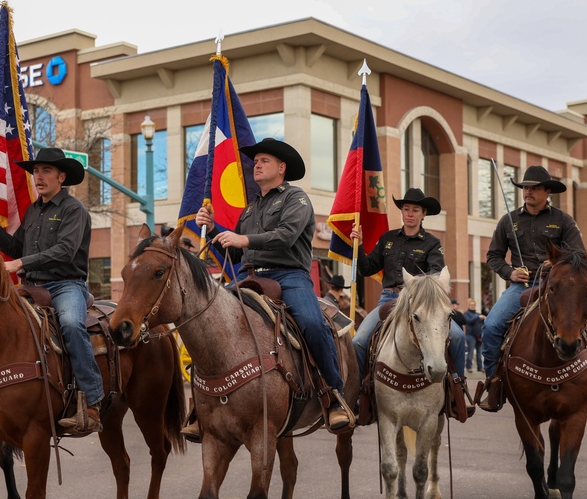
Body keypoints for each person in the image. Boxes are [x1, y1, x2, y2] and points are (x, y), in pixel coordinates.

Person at [194, 138, 355, 432]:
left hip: (288, 275)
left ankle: (334, 396)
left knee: (312, 323)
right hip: (249, 276)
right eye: (255, 161)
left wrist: (243, 238)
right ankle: (200, 405)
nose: (256, 164)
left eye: (264, 161)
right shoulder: (249, 209)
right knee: (209, 317)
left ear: (281, 169)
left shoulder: (297, 199)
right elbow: (236, 253)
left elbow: (286, 235)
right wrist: (215, 228)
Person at [0, 147, 103, 434]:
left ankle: (92, 401)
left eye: (46, 170)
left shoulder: (74, 209)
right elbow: (17, 247)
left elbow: (65, 251)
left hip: (65, 284)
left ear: (61, 177)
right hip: (31, 287)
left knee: (72, 325)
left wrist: (20, 263)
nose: (38, 175)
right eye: (36, 171)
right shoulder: (33, 210)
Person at [478, 165, 587, 410]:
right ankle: (495, 382)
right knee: (491, 326)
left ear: (547, 192)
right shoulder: (508, 221)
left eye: (534, 188)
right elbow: (494, 256)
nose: (528, 192)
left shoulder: (563, 220)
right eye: (525, 188)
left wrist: (556, 262)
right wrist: (510, 272)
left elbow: (577, 255)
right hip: (522, 288)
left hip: (560, 289)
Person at [350, 188, 466, 383]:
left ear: (424, 214)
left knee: (457, 336)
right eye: (406, 209)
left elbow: (436, 274)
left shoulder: (432, 243)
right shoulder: (388, 239)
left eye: (415, 210)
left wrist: (417, 287)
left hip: (420, 303)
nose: (410, 214)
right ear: (402, 211)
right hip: (388, 300)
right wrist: (360, 245)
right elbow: (366, 269)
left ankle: (457, 385)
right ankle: (359, 390)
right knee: (358, 341)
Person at [463, 299, 485, 374]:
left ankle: (480, 367)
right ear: (468, 305)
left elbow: (483, 323)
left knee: (479, 352)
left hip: (479, 336)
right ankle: (469, 367)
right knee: (470, 352)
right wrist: (478, 317)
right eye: (471, 305)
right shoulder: (466, 314)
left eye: (474, 305)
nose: (473, 306)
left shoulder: (478, 314)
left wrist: (484, 319)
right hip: (470, 336)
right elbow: (468, 321)